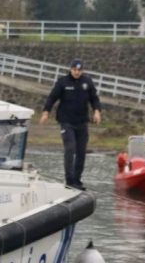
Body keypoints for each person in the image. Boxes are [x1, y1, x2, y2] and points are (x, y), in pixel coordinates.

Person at [40, 59, 102, 190]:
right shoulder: (63, 82)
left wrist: (97, 111)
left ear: (82, 71)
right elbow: (52, 98)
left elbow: (94, 99)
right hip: (67, 122)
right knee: (70, 149)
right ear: (70, 69)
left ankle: (77, 180)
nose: (77, 72)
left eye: (79, 70)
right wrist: (46, 112)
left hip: (82, 122)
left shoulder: (87, 82)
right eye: (74, 70)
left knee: (81, 152)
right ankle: (69, 181)